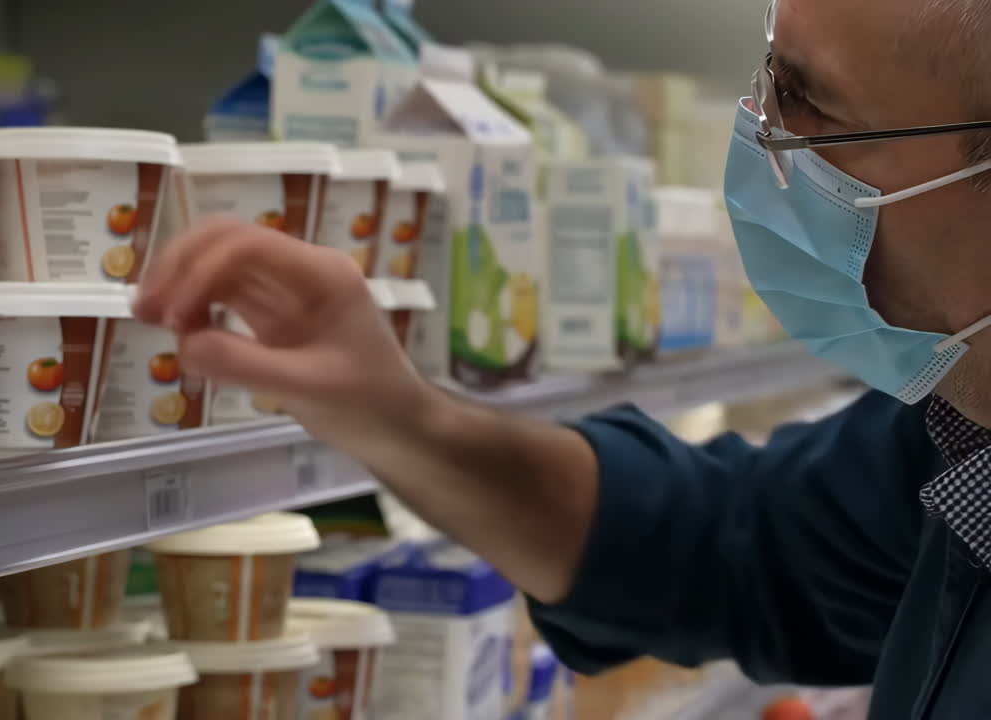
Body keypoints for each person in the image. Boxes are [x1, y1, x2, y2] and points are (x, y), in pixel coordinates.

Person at [137, 0, 991, 716]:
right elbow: (723, 539)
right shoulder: (955, 444)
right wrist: (397, 415)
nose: (760, 131)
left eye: (807, 105)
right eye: (770, 76)